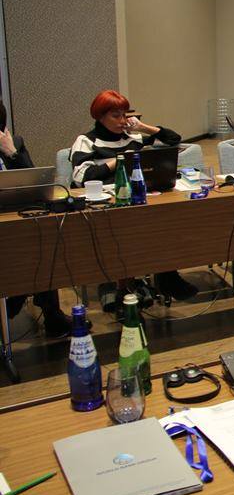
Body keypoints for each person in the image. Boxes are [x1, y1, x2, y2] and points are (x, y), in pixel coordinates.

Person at [70, 90, 197, 301]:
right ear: (100, 116)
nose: (122, 121)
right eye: (116, 116)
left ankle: (166, 275)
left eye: (125, 115)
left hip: (138, 201)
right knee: (132, 228)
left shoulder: (133, 137)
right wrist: (121, 160)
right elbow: (81, 177)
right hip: (106, 205)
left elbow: (173, 140)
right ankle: (124, 285)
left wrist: (143, 127)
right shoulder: (86, 141)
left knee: (165, 221)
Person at [0, 102, 70, 337]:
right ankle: (16, 298)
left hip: (16, 216)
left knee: (43, 237)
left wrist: (11, 152)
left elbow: (35, 183)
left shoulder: (14, 143)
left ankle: (52, 315)